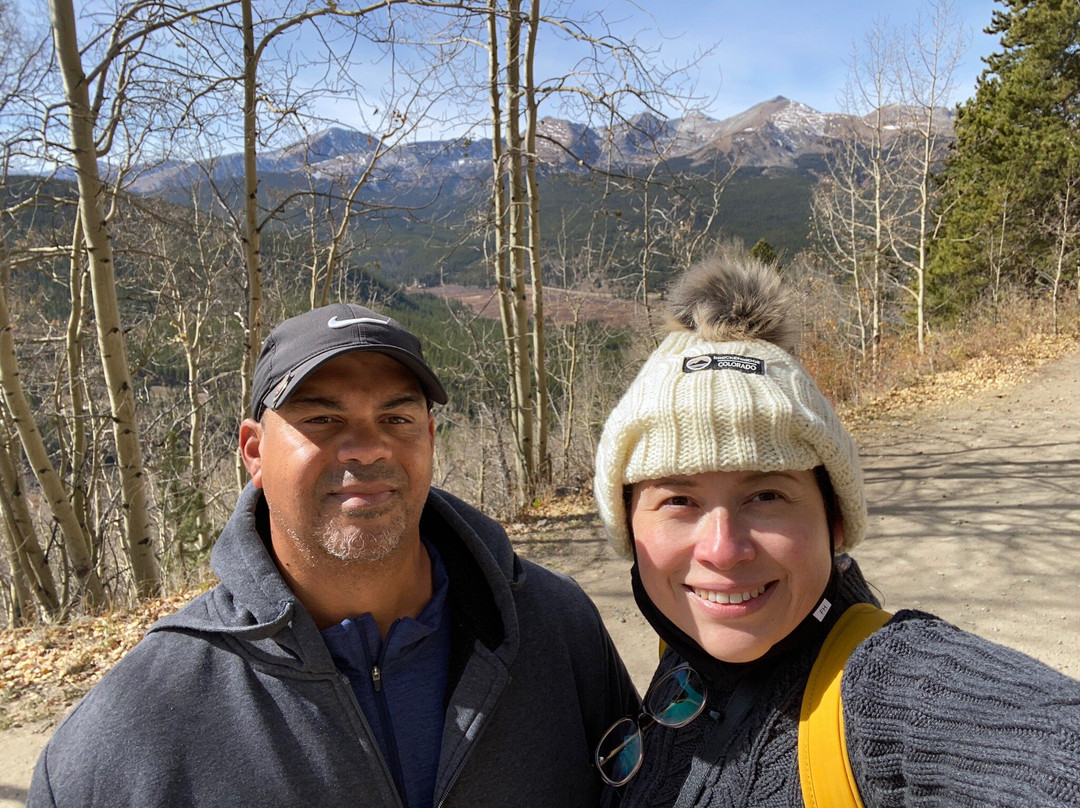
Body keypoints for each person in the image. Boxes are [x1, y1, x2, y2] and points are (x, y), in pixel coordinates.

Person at [30, 302, 639, 808]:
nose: (368, 449)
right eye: (322, 417)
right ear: (254, 451)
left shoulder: (554, 630)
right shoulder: (137, 722)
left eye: (396, 417)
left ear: (429, 437)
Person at [591, 249, 1080, 807]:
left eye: (767, 495)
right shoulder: (680, 657)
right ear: (629, 527)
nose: (723, 551)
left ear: (835, 518)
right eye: (678, 499)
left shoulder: (883, 690)